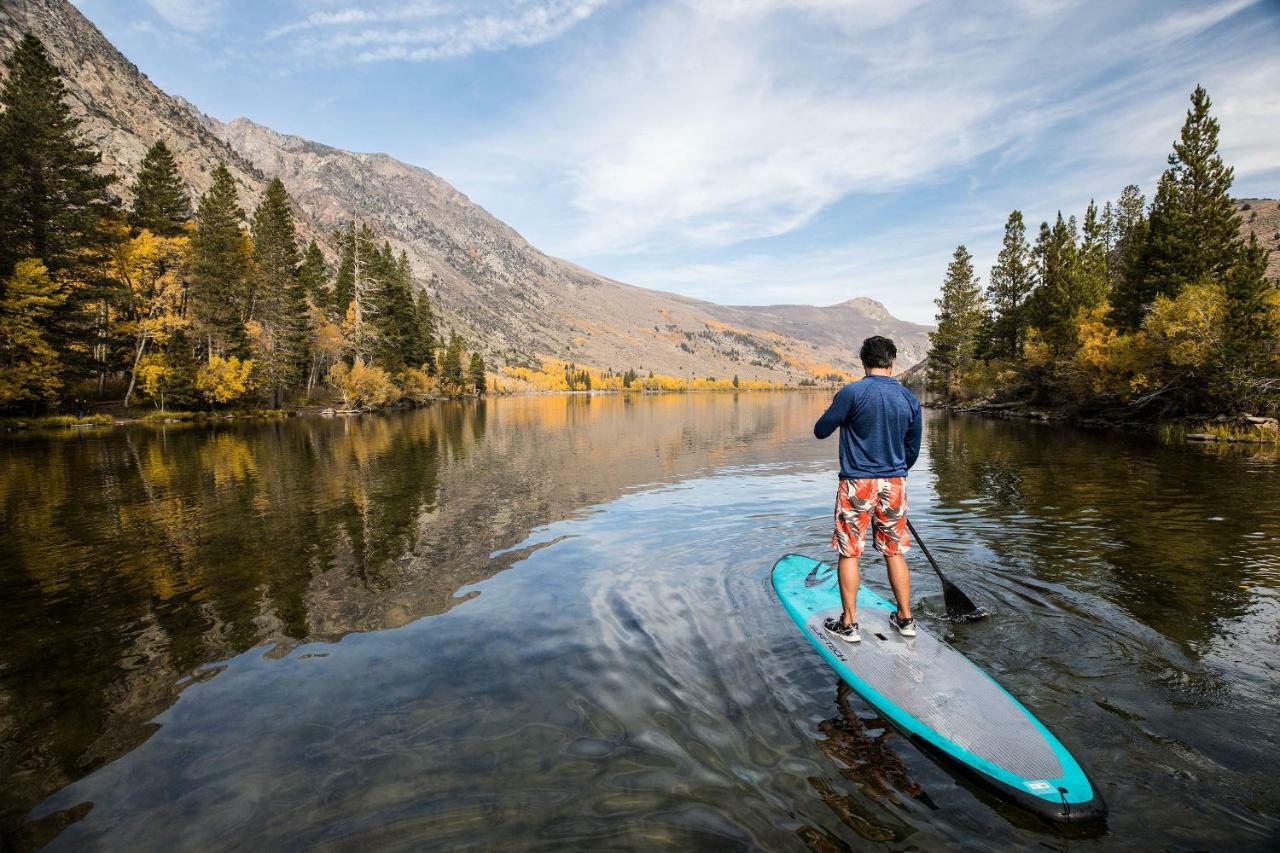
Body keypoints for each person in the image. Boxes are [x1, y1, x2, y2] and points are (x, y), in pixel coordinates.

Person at [813, 335, 922, 643]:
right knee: (895, 551)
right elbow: (912, 450)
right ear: (893, 362)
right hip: (895, 483)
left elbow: (821, 431)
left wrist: (840, 410)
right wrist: (893, 474)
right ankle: (905, 619)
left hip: (857, 483)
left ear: (863, 362)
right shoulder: (909, 399)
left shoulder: (851, 392)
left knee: (850, 552)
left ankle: (848, 625)